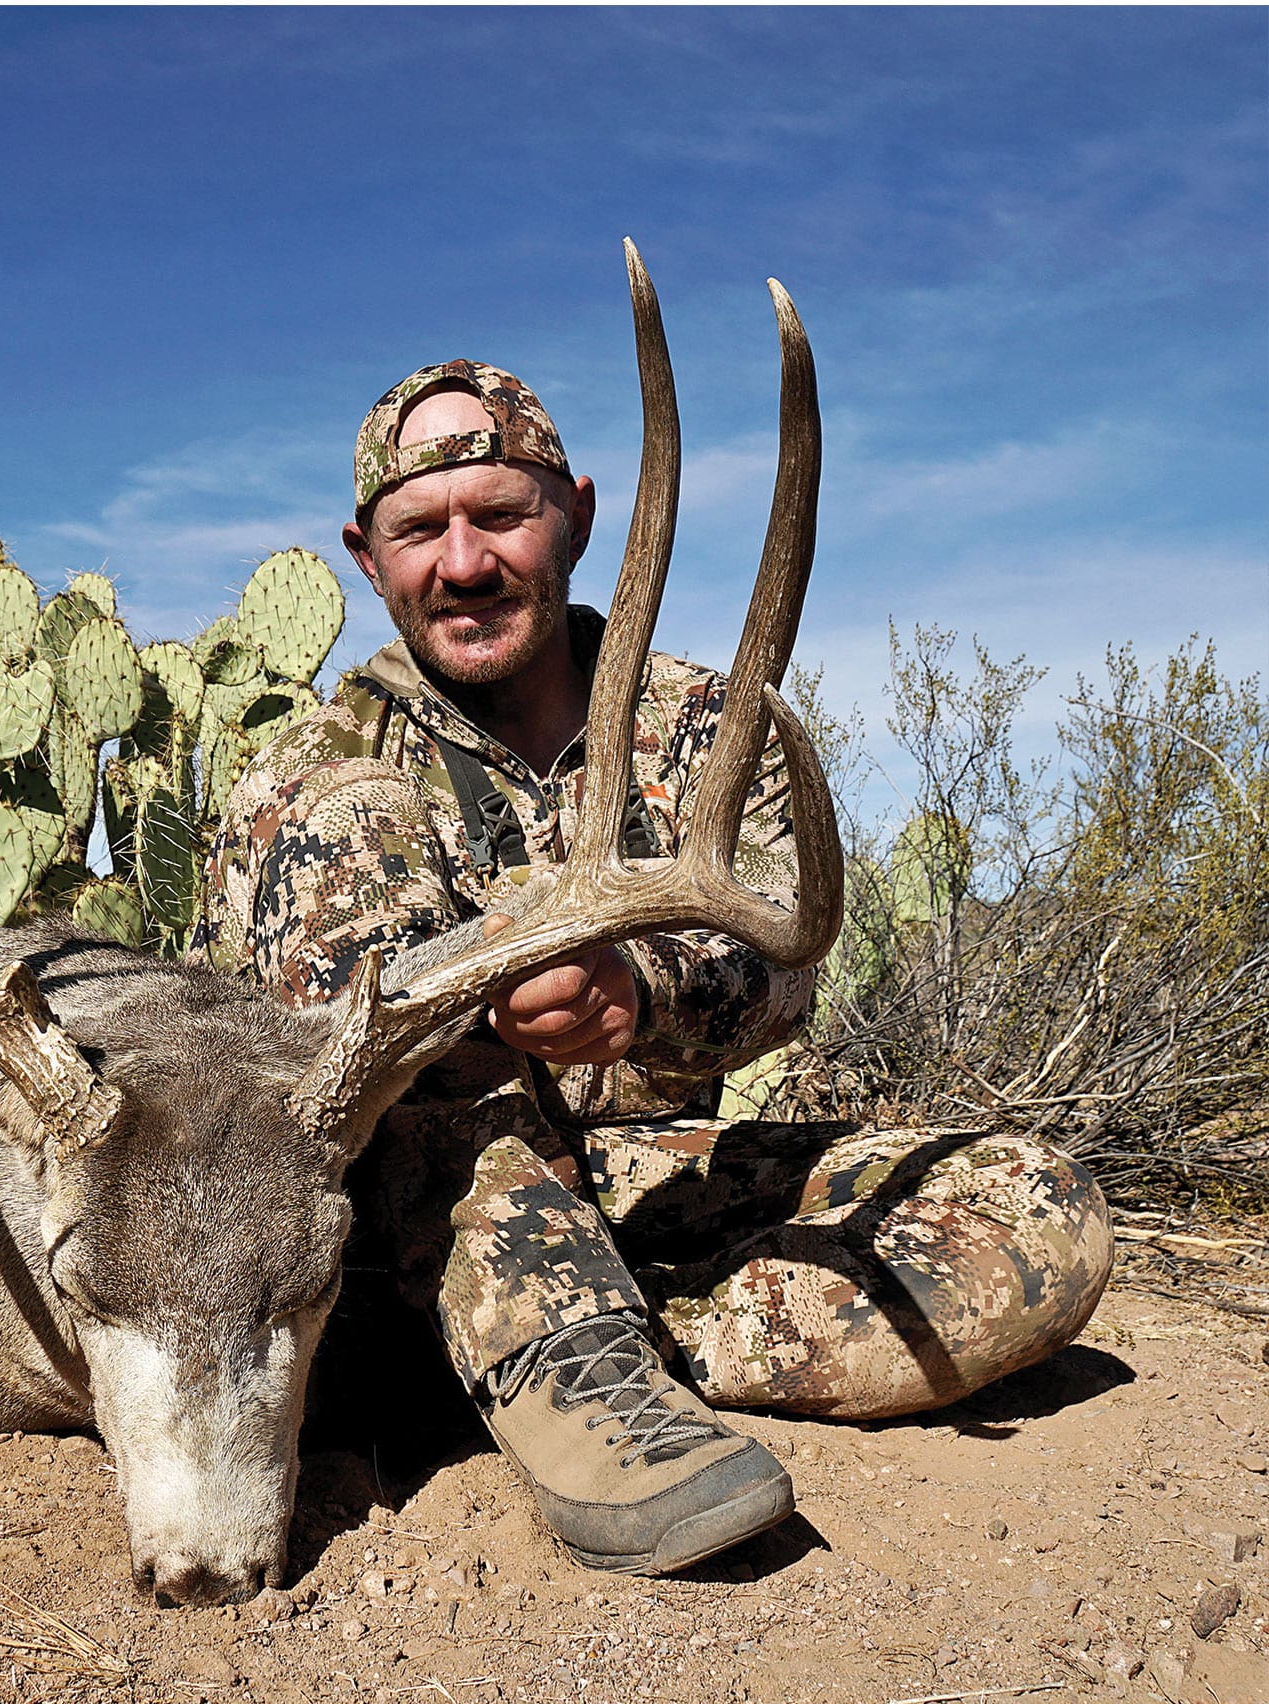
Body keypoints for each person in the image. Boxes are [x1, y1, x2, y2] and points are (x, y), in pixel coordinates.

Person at [191, 360, 1114, 1576]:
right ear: (367, 557)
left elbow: (788, 960)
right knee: (457, 1119)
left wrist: (644, 989)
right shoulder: (309, 772)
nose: (461, 563)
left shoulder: (709, 726)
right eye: (420, 530)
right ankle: (560, 1373)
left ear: (571, 511)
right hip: (398, 1221)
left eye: (499, 514)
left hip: (636, 1187)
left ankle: (590, 1344)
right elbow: (333, 1059)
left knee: (1036, 1218)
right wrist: (482, 1003)